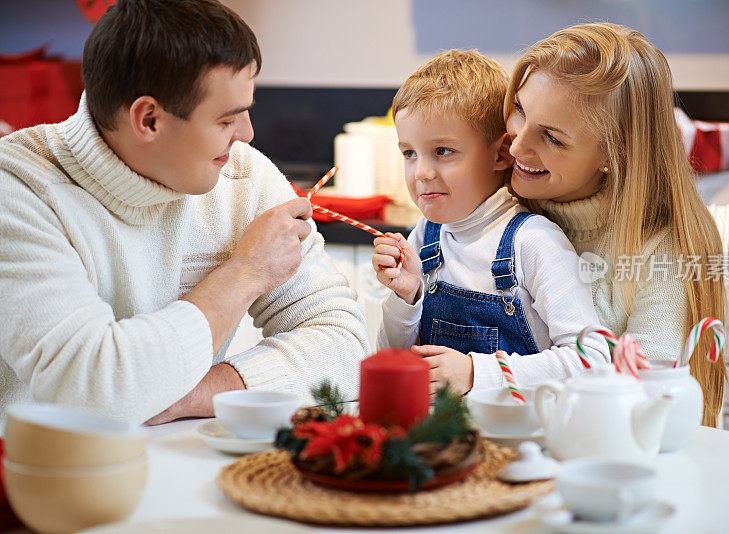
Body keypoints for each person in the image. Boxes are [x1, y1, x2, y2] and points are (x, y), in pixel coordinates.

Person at [0, 0, 369, 426]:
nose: (247, 134)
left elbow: (345, 343)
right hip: (50, 481)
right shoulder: (20, 189)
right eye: (227, 119)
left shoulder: (244, 177)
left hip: (195, 471)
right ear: (150, 120)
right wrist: (244, 272)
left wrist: (194, 393)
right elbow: (93, 394)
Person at [504, 23, 727, 426]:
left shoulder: (665, 251)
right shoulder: (496, 210)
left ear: (614, 152)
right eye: (519, 109)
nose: (517, 145)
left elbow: (644, 403)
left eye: (552, 137)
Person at [372, 50, 610, 396]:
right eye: (409, 153)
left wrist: (475, 372)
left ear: (500, 154)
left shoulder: (533, 241)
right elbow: (391, 359)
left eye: (442, 151)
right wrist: (406, 298)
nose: (421, 173)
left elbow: (593, 359)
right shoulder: (426, 235)